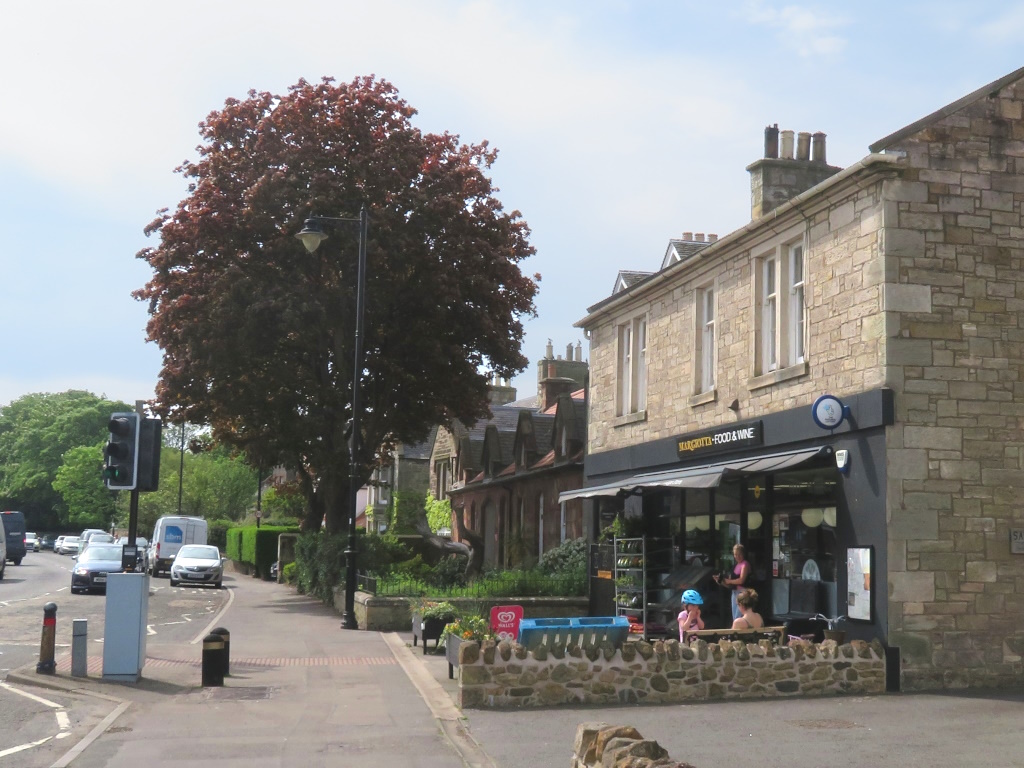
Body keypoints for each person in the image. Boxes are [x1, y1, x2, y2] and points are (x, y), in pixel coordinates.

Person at [713, 543, 750, 620]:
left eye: (739, 554)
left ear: (743, 554)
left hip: (743, 593)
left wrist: (729, 581)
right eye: (735, 554)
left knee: (739, 617)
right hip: (734, 593)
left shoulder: (745, 564)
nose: (737, 556)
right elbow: (729, 585)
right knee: (735, 618)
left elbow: (741, 580)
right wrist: (720, 581)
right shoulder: (734, 566)